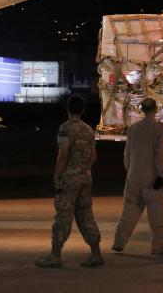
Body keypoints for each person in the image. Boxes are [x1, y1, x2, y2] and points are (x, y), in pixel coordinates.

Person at [35, 95, 104, 268]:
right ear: (82, 110)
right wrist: (85, 168)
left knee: (63, 215)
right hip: (85, 177)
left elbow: (63, 154)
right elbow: (94, 155)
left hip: (69, 179)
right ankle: (96, 253)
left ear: (67, 109)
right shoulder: (88, 130)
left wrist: (57, 174)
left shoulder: (65, 129)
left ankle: (55, 255)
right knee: (86, 214)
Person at [112, 97, 163, 256]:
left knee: (129, 211)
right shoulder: (160, 129)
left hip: (134, 174)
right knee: (158, 213)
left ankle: (119, 242)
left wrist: (130, 172)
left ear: (142, 109)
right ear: (156, 109)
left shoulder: (133, 129)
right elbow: (161, 155)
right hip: (151, 175)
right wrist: (161, 175)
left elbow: (127, 154)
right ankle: (158, 247)